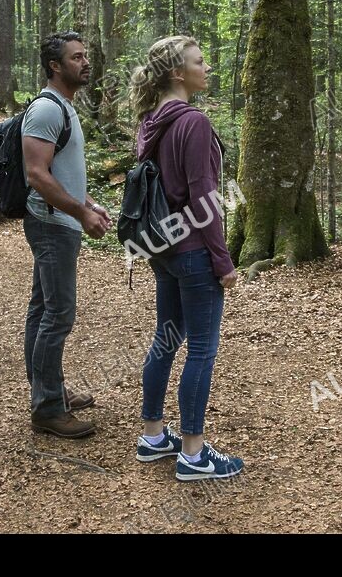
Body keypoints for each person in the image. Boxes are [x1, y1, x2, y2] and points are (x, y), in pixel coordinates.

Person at [130, 36, 243, 481]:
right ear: (178, 73)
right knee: (201, 349)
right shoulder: (192, 122)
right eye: (200, 61)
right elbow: (205, 200)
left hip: (163, 250)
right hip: (194, 253)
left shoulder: (152, 120)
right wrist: (223, 261)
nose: (207, 67)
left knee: (165, 338)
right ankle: (194, 455)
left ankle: (154, 435)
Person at [22, 31, 112, 438]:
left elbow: (62, 170)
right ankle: (46, 408)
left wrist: (88, 202)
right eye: (76, 57)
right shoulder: (45, 110)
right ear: (55, 66)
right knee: (57, 314)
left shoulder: (65, 106)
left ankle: (50, 391)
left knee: (43, 311)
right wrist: (78, 212)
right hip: (51, 224)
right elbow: (37, 174)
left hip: (63, 219)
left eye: (85, 56)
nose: (85, 62)